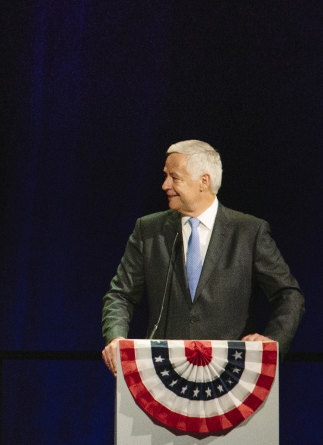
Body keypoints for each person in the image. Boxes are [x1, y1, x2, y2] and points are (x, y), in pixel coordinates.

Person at [101, 140, 304, 375]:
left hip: (232, 374)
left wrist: (271, 342)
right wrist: (116, 337)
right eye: (165, 176)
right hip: (163, 377)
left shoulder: (249, 232)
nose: (165, 185)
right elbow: (120, 294)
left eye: (174, 177)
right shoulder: (149, 230)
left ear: (203, 182)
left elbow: (289, 295)